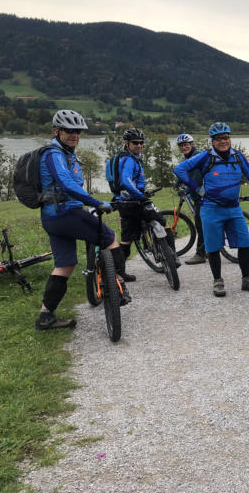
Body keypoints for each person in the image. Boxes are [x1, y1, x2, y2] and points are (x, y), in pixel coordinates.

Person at [35, 110, 129, 330]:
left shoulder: (65, 154)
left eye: (78, 131)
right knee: (110, 238)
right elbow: (67, 184)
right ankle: (119, 286)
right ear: (57, 131)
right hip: (66, 214)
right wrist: (96, 202)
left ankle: (45, 316)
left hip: (53, 218)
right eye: (69, 130)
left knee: (64, 265)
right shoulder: (54, 154)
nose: (75, 135)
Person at [174, 122, 249, 297]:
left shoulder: (237, 156)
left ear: (229, 139)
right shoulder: (205, 157)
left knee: (244, 243)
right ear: (212, 141)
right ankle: (218, 281)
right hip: (211, 209)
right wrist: (196, 189)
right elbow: (179, 169)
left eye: (225, 137)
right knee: (213, 247)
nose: (223, 141)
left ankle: (247, 279)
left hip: (234, 209)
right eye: (218, 139)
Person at [111, 128, 177, 278]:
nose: (139, 145)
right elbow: (126, 180)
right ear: (127, 143)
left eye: (141, 143)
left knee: (127, 240)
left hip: (125, 203)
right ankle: (172, 257)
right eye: (135, 143)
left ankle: (118, 273)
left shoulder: (129, 158)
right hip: (135, 202)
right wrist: (140, 195)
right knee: (163, 223)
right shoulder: (129, 160)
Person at [173, 133, 207, 264]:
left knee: (200, 225)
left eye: (186, 145)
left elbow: (196, 179)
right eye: (181, 146)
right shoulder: (190, 157)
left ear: (192, 144)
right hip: (200, 195)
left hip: (203, 196)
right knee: (203, 223)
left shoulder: (197, 157)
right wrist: (177, 182)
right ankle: (208, 250)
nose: (183, 147)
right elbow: (185, 171)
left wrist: (186, 190)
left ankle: (201, 254)